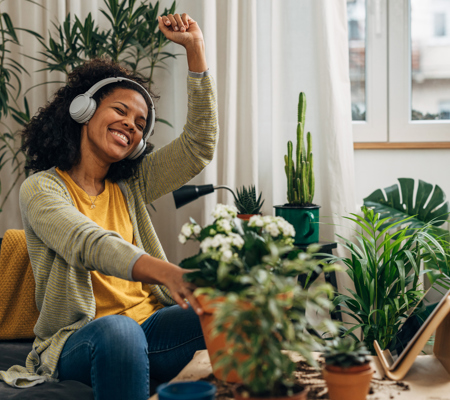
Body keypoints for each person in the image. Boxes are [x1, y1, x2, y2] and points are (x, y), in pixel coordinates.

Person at [0, 13, 217, 400]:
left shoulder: (132, 182)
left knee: (228, 305)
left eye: (140, 122)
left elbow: (198, 145)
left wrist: (196, 50)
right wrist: (167, 271)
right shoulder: (42, 189)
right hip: (83, 340)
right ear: (84, 110)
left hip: (150, 328)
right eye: (120, 111)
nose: (131, 125)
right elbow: (89, 242)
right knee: (120, 330)